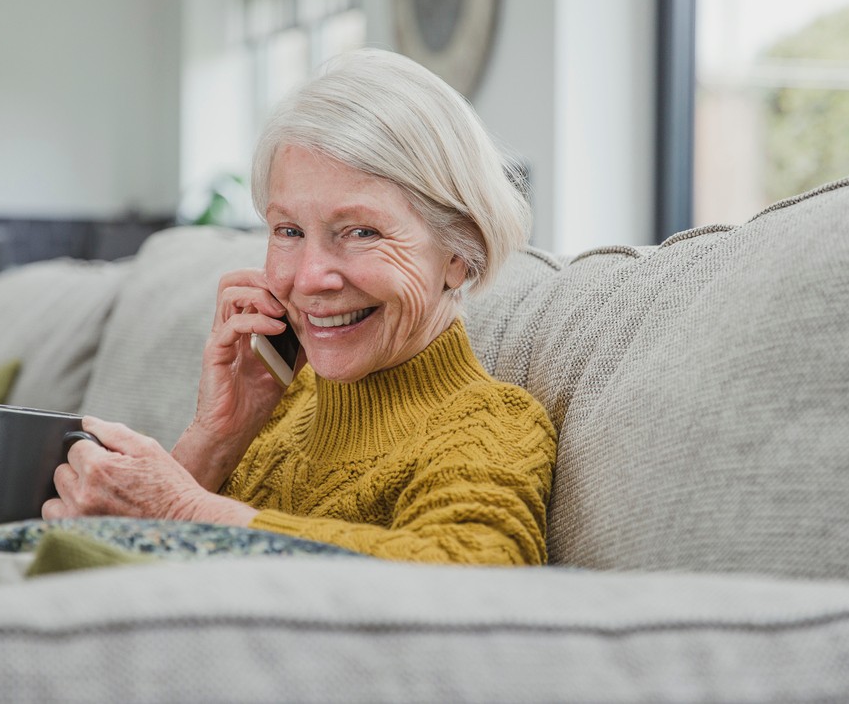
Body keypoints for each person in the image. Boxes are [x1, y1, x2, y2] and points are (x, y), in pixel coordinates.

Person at [42, 48, 557, 566]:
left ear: (459, 254)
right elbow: (131, 594)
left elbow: (476, 580)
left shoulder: (492, 425)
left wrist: (183, 507)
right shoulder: (278, 401)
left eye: (360, 232)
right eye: (288, 231)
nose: (309, 279)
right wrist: (215, 440)